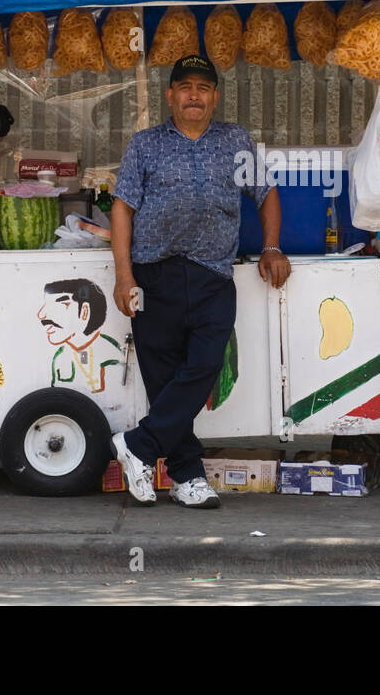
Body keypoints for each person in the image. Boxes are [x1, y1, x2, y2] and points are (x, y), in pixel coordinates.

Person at [110, 53, 291, 509]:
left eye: (203, 87)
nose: (194, 95)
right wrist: (124, 275)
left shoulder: (236, 141)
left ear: (215, 96)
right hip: (154, 274)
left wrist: (271, 246)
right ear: (170, 96)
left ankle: (139, 445)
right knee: (164, 378)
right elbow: (123, 208)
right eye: (185, 87)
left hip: (213, 274)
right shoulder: (144, 145)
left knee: (205, 367)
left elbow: (265, 193)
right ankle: (187, 475)